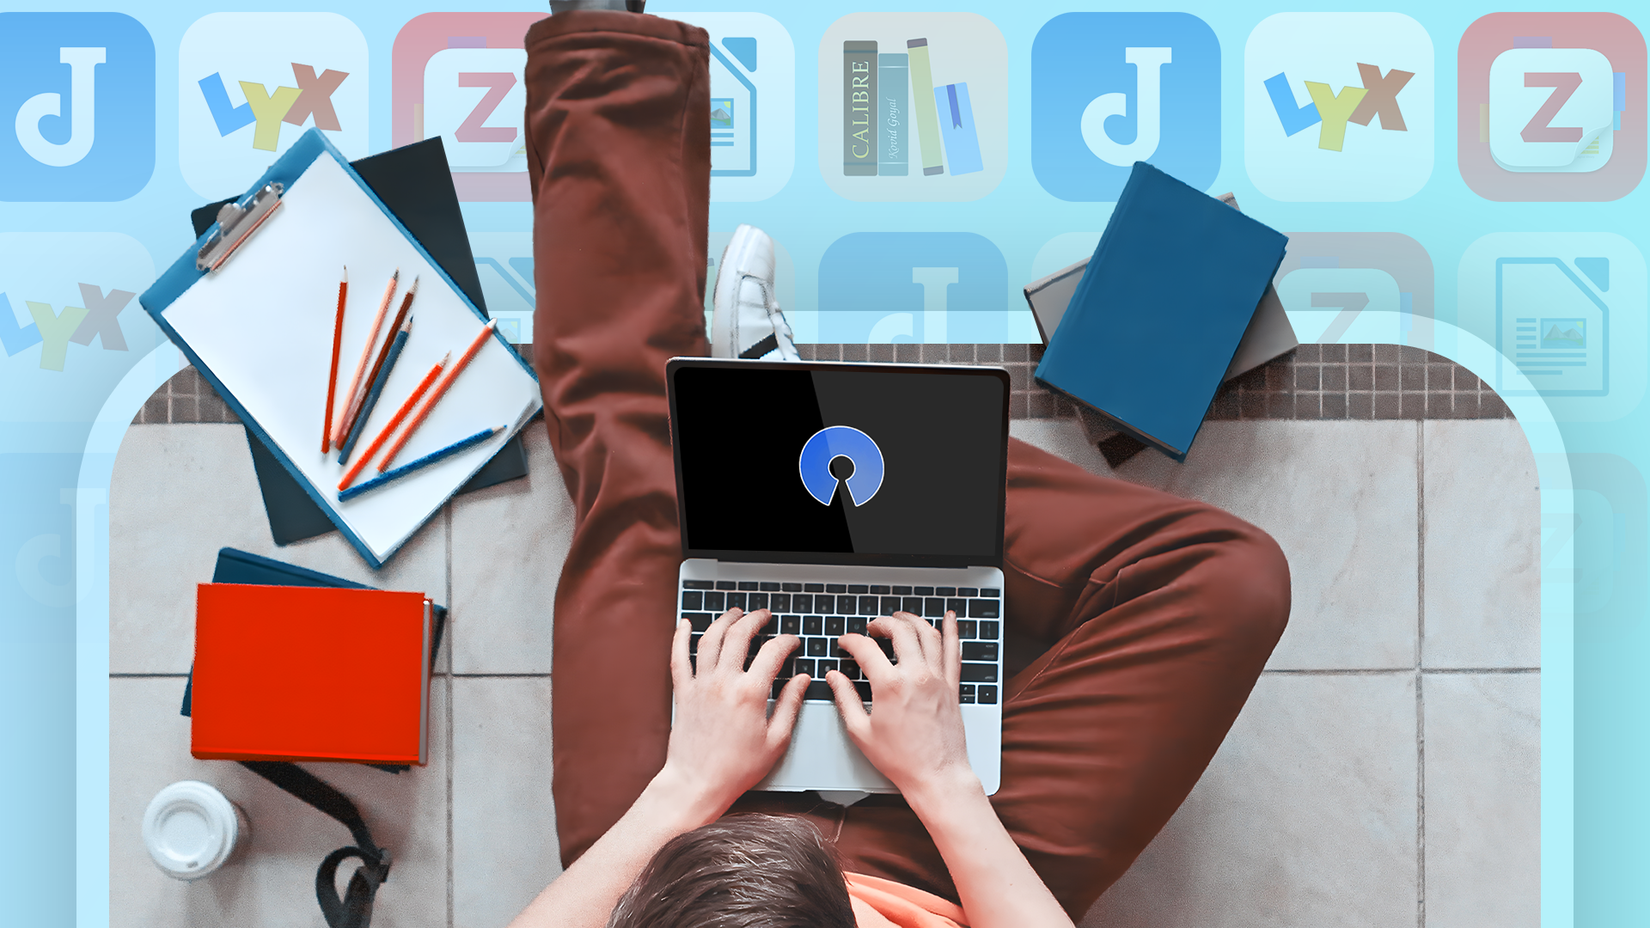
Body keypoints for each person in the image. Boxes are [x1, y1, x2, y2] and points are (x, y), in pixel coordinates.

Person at [506, 6, 1292, 927]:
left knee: (640, 457)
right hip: (926, 877)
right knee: (1227, 581)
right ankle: (785, 431)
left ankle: (765, 428)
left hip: (676, 871)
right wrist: (946, 782)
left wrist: (687, 784)